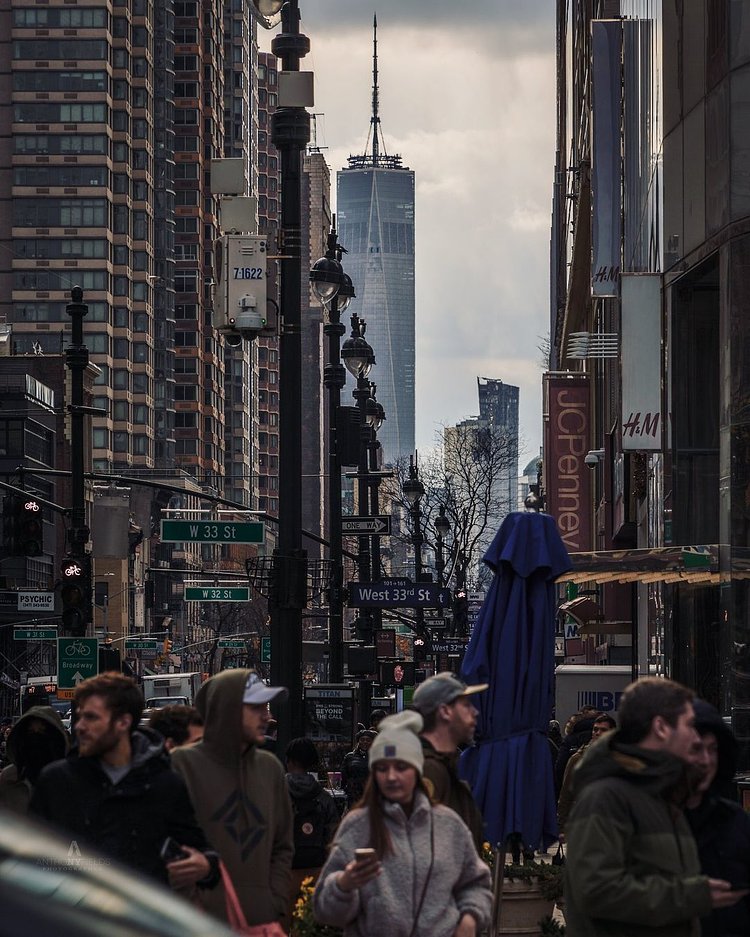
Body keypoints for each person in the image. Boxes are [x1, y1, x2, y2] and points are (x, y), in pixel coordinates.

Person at [564, 677, 747, 936]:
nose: (694, 736)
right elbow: (596, 891)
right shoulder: (607, 796)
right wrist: (691, 896)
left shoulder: (662, 795)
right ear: (661, 728)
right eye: (688, 725)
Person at [29, 672, 219, 892]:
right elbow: (30, 859)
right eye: (79, 717)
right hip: (74, 920)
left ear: (123, 722)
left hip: (139, 920)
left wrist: (205, 866)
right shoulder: (56, 782)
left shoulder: (163, 783)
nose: (79, 726)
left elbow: (201, 850)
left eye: (91, 718)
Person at [313, 710, 492, 937]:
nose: (391, 777)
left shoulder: (448, 824)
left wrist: (470, 918)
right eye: (382, 768)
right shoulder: (357, 825)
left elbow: (476, 884)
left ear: (417, 770)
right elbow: (324, 909)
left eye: (401, 767)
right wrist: (344, 884)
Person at [170, 669, 293, 931]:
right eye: (255, 707)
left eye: (267, 707)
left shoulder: (270, 768)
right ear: (227, 711)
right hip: (197, 925)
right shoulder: (182, 764)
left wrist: (276, 901)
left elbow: (283, 845)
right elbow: (167, 844)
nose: (267, 716)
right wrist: (193, 902)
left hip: (262, 923)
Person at [686, 699, 750, 937]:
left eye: (712, 749)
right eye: (695, 748)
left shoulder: (735, 821)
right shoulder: (645, 819)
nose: (705, 760)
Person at [411, 671, 488, 852]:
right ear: (445, 711)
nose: (474, 712)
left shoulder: (443, 766)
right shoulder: (428, 770)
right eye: (466, 705)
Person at [285, 737, 340, 911]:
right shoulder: (324, 797)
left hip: (283, 870)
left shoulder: (276, 791)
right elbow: (334, 837)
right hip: (316, 870)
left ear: (289, 761)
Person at [0, 705, 69, 813]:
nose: (36, 739)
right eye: (30, 732)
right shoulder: (8, 779)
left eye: (43, 732)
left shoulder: (71, 780)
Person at [556, 711, 616, 834]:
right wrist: (562, 827)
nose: (598, 733)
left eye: (603, 730)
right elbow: (566, 795)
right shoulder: (578, 759)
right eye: (595, 730)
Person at [341, 728, 377, 810]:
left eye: (368, 740)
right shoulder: (349, 756)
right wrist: (346, 788)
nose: (365, 742)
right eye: (362, 740)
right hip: (353, 794)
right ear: (358, 741)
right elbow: (343, 775)